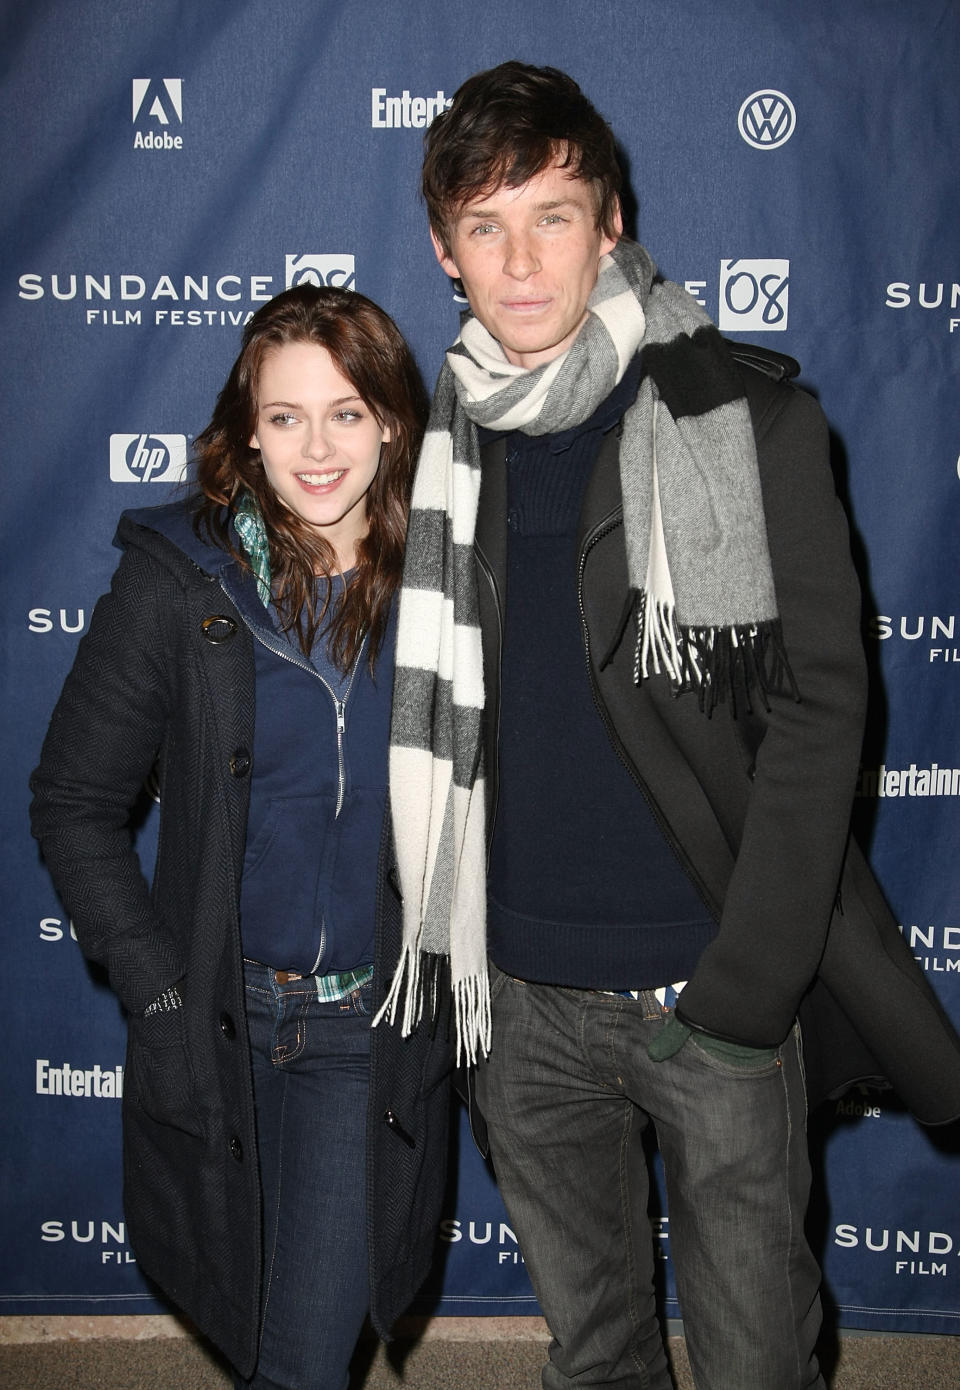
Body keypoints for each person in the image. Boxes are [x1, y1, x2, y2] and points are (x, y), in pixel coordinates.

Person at [380, 62, 960, 1390]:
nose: (521, 261)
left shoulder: (746, 419)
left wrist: (747, 992)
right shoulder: (433, 451)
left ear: (613, 221)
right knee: (595, 1356)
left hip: (704, 989)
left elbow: (824, 709)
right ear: (443, 251)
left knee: (761, 1363)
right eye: (485, 225)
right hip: (515, 1002)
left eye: (553, 216)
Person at [30, 284, 450, 1390]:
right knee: (254, 1328)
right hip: (218, 1012)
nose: (317, 448)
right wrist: (160, 988)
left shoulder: (455, 590)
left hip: (368, 1026)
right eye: (284, 417)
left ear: (394, 421)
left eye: (347, 412)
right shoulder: (178, 582)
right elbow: (74, 802)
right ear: (246, 431)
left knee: (303, 1360)